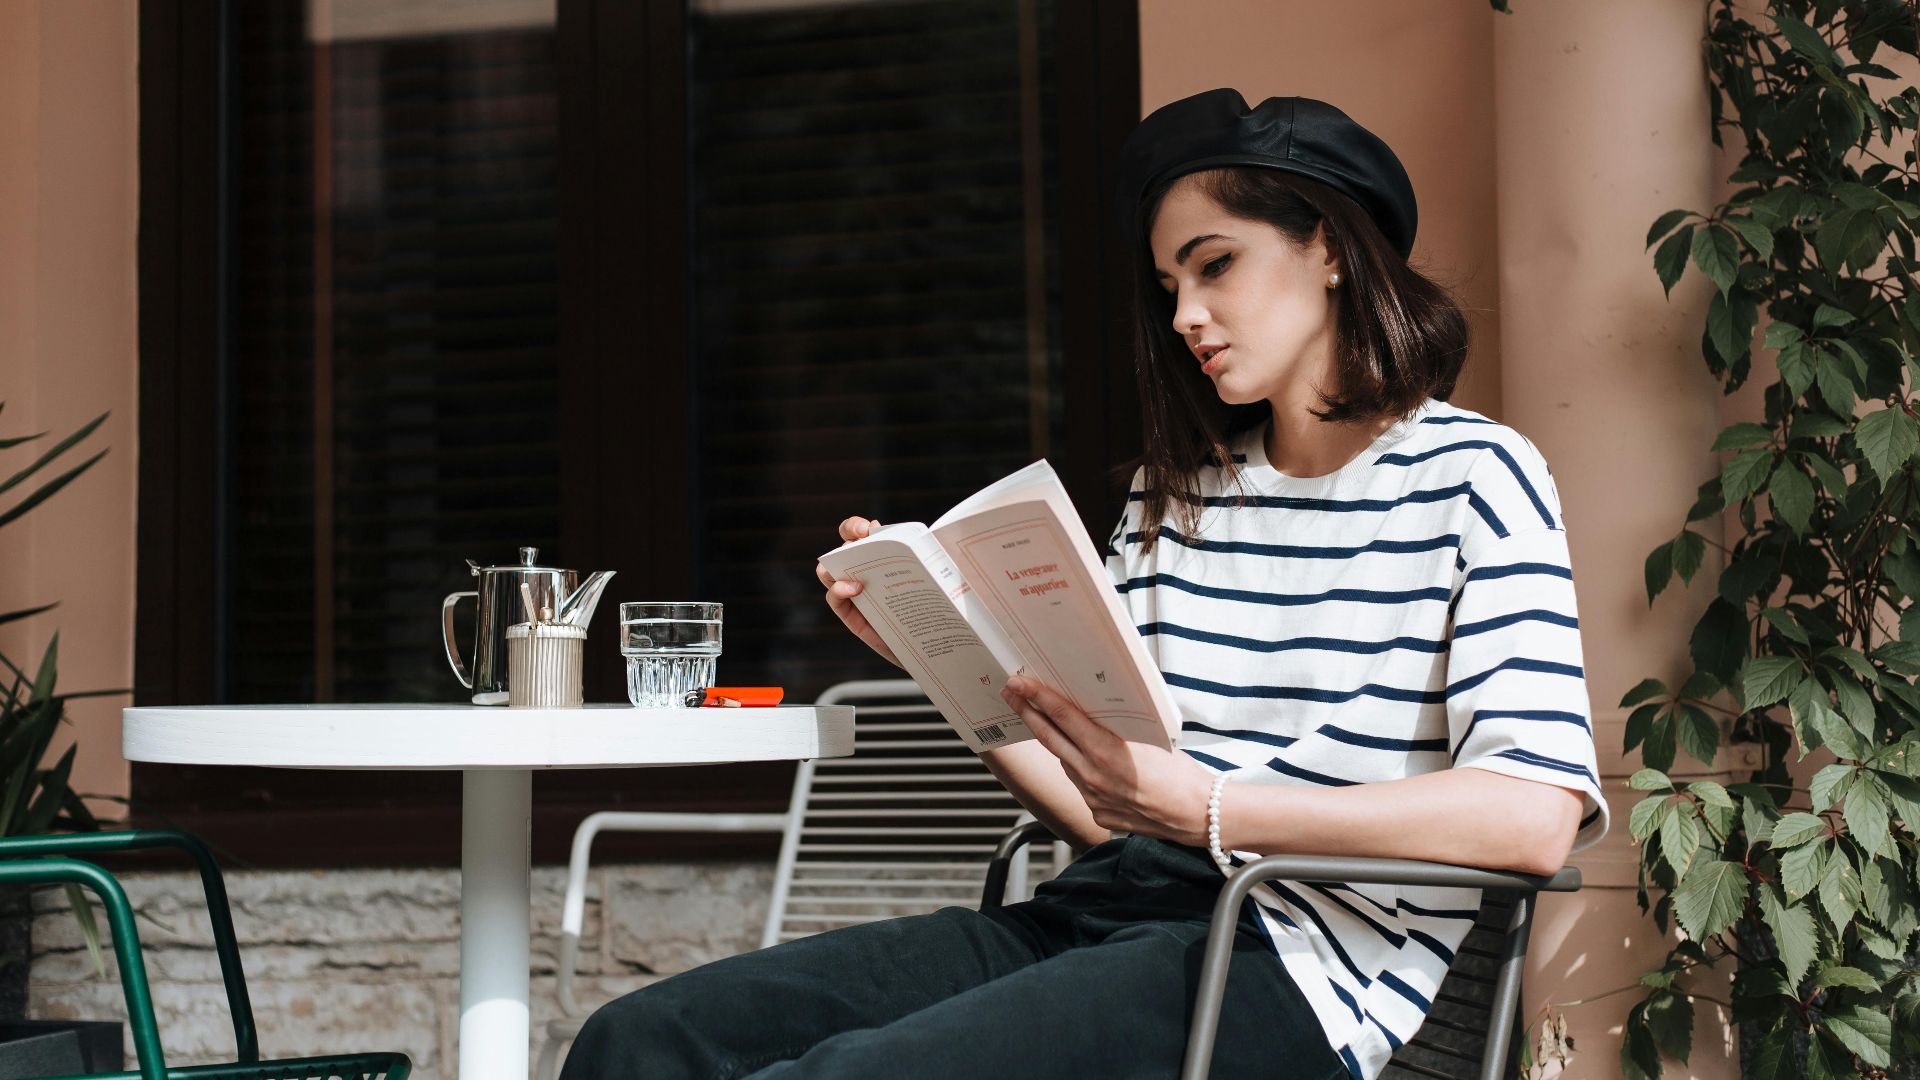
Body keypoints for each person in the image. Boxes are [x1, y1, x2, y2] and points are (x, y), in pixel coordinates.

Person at [561, 88, 1609, 1080]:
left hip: (1293, 962)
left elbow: (1530, 818)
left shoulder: (1474, 475)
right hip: (1101, 912)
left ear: (1328, 247)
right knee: (644, 1042)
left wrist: (1211, 807)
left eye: (1216, 266)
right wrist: (950, 661)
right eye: (1170, 290)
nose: (1188, 315)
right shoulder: (1176, 496)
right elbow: (1114, 816)